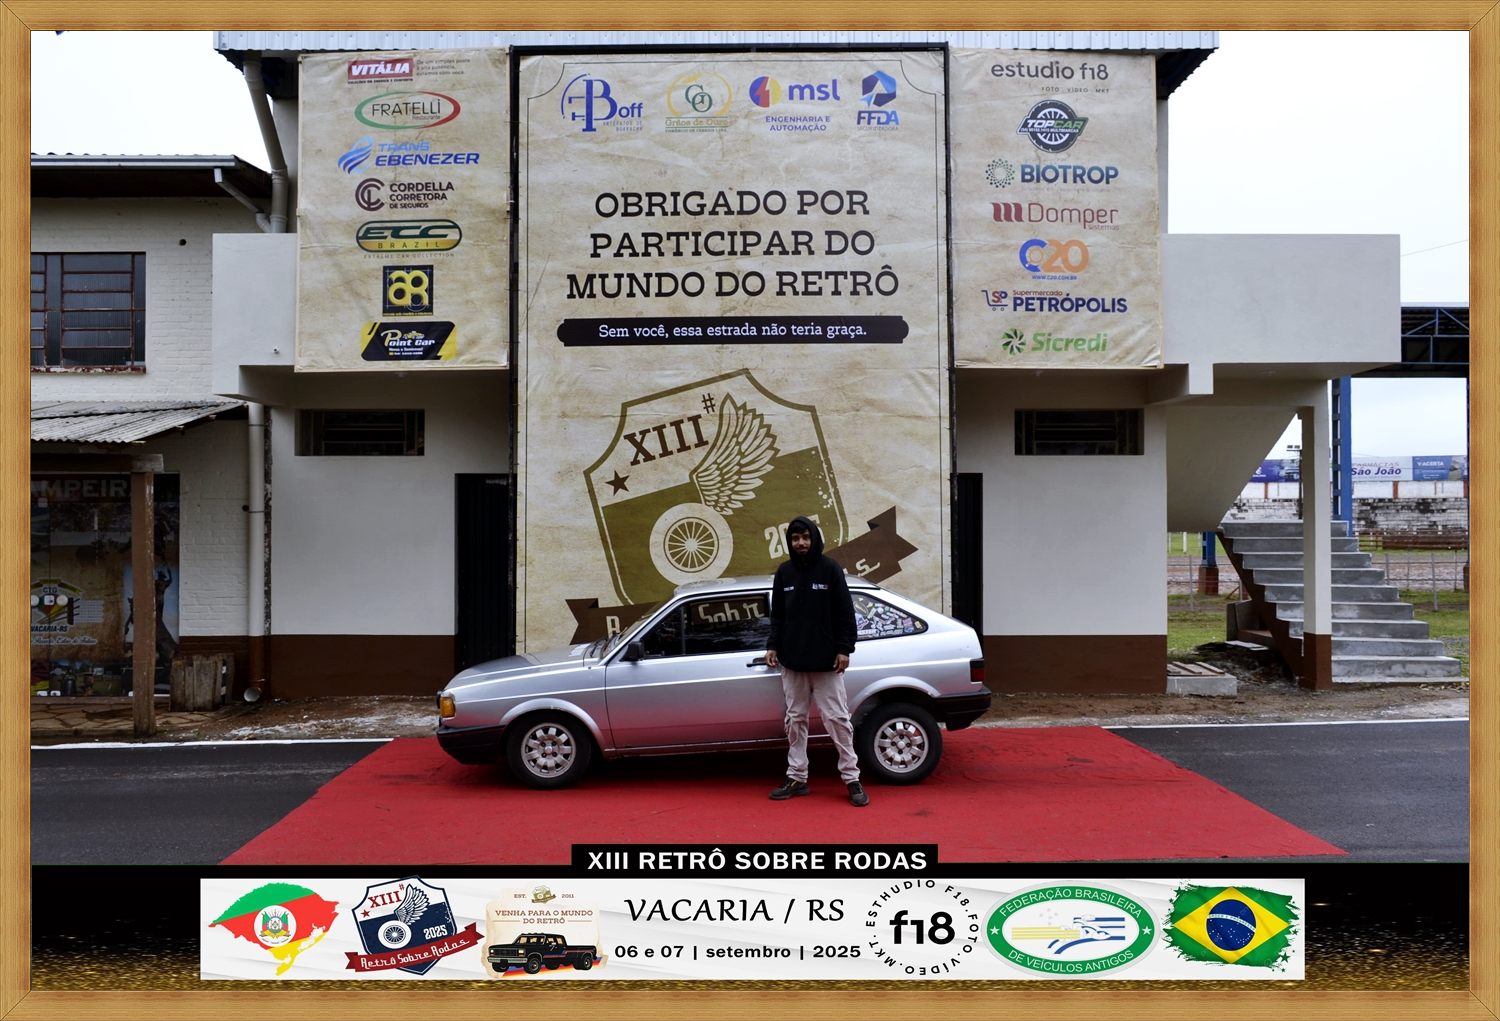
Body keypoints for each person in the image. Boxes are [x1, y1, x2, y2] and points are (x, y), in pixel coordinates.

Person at [765, 516, 867, 807]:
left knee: (837, 720)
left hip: (827, 664)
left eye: (806, 537)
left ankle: (852, 778)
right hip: (792, 663)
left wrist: (844, 649)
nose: (801, 543)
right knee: (795, 720)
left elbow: (845, 614)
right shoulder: (784, 573)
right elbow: (777, 616)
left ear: (814, 539)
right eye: (796, 538)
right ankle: (797, 777)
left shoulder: (830, 569)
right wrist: (773, 645)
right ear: (790, 541)